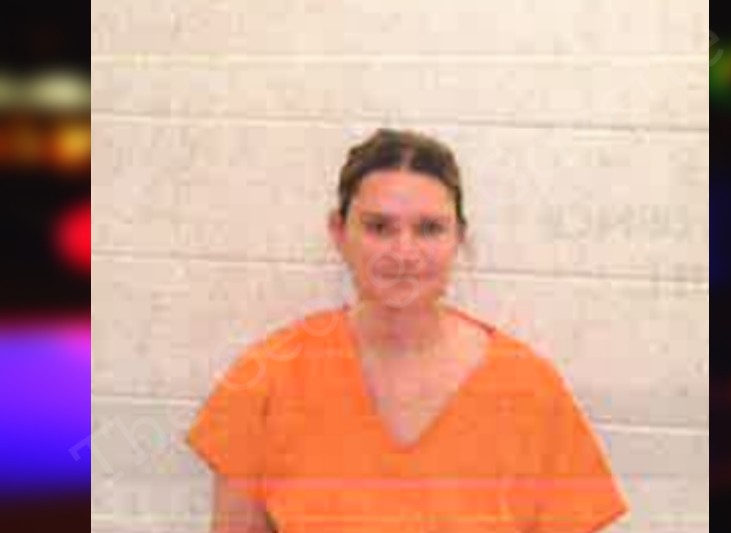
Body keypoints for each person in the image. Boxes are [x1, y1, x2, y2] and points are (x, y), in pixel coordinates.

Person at [186, 129, 628, 532]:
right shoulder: (265, 381)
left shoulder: (530, 390)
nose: (403, 252)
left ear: (458, 237)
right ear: (339, 232)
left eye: (429, 229)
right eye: (379, 227)